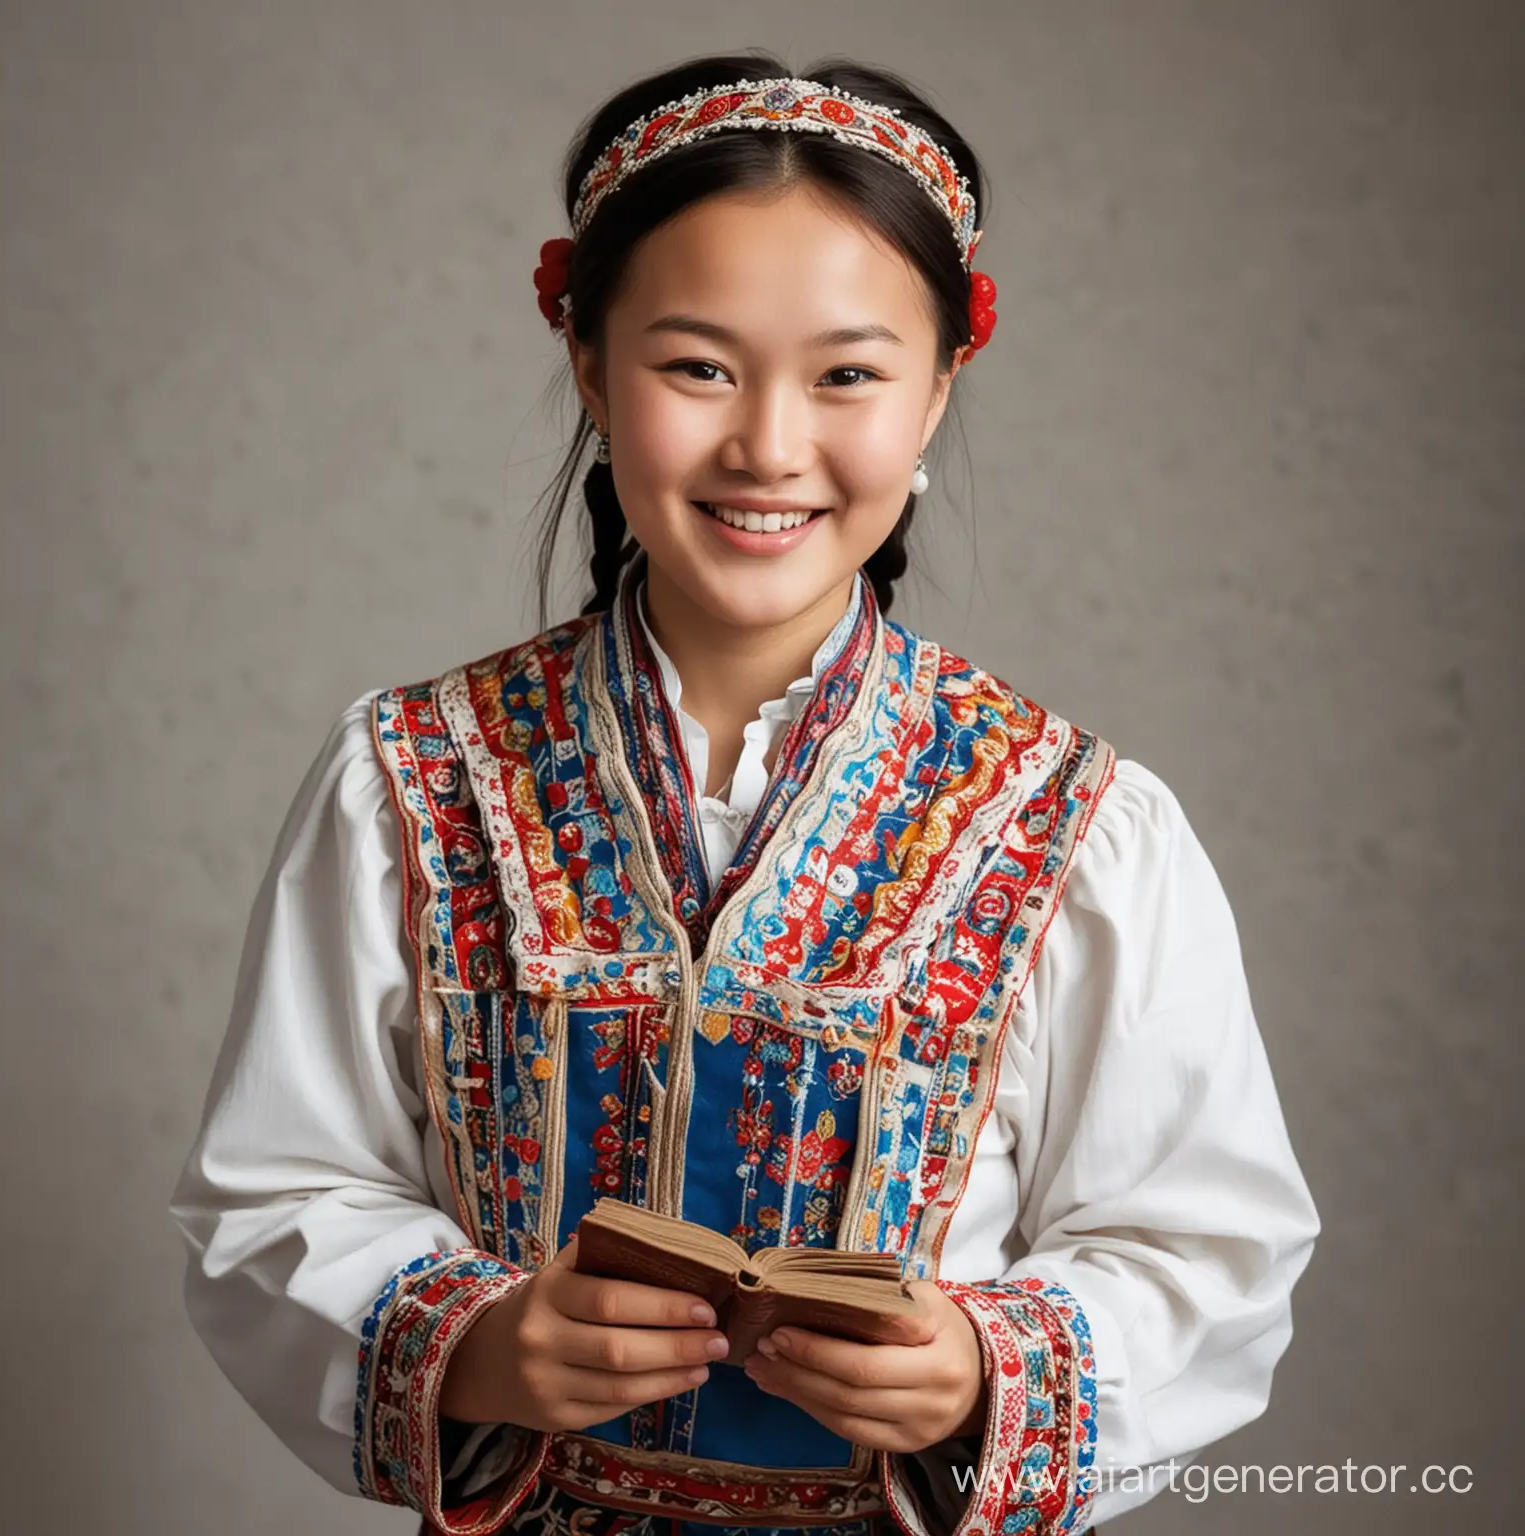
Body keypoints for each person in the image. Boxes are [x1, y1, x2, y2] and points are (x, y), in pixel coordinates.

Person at [171, 53, 1319, 1536]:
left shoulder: (1076, 824)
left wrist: (985, 1367)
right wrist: (481, 1343)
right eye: (697, 365)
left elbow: (1206, 1247)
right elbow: (275, 1194)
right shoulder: (411, 779)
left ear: (940, 385)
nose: (770, 445)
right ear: (588, 362)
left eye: (848, 374)